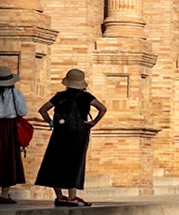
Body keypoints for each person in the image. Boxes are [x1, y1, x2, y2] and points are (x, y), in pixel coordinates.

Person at [35, 68, 104, 207]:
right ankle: (72, 197)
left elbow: (42, 110)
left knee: (55, 162)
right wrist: (93, 122)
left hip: (60, 133)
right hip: (79, 133)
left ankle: (60, 197)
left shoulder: (59, 96)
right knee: (74, 162)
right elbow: (102, 108)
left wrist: (51, 122)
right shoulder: (86, 97)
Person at [0, 67, 27, 204]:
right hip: (9, 128)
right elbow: (22, 111)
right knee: (9, 159)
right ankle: (4, 194)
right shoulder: (15, 94)